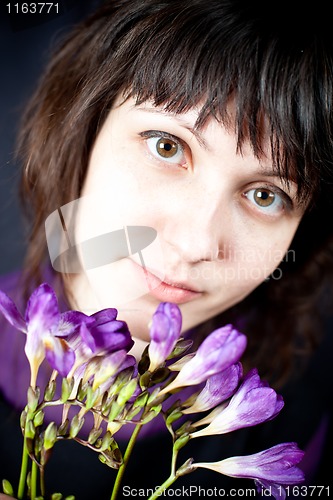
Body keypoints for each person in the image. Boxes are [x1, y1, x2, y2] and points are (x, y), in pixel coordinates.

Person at [1, 0, 332, 498]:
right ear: (84, 125)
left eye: (266, 196)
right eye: (167, 145)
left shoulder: (299, 408)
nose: (194, 243)